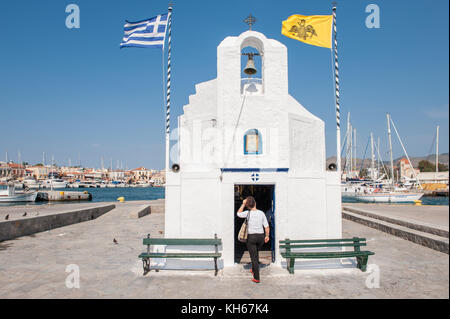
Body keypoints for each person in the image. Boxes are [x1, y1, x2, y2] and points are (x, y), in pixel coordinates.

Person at [237, 196, 270, 283]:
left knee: (254, 257)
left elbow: (238, 213)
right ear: (255, 203)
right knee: (255, 254)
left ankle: (256, 277)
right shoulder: (261, 213)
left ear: (247, 206)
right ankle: (253, 269)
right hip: (261, 237)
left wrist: (243, 204)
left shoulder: (247, 213)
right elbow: (266, 226)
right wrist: (267, 236)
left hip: (251, 237)